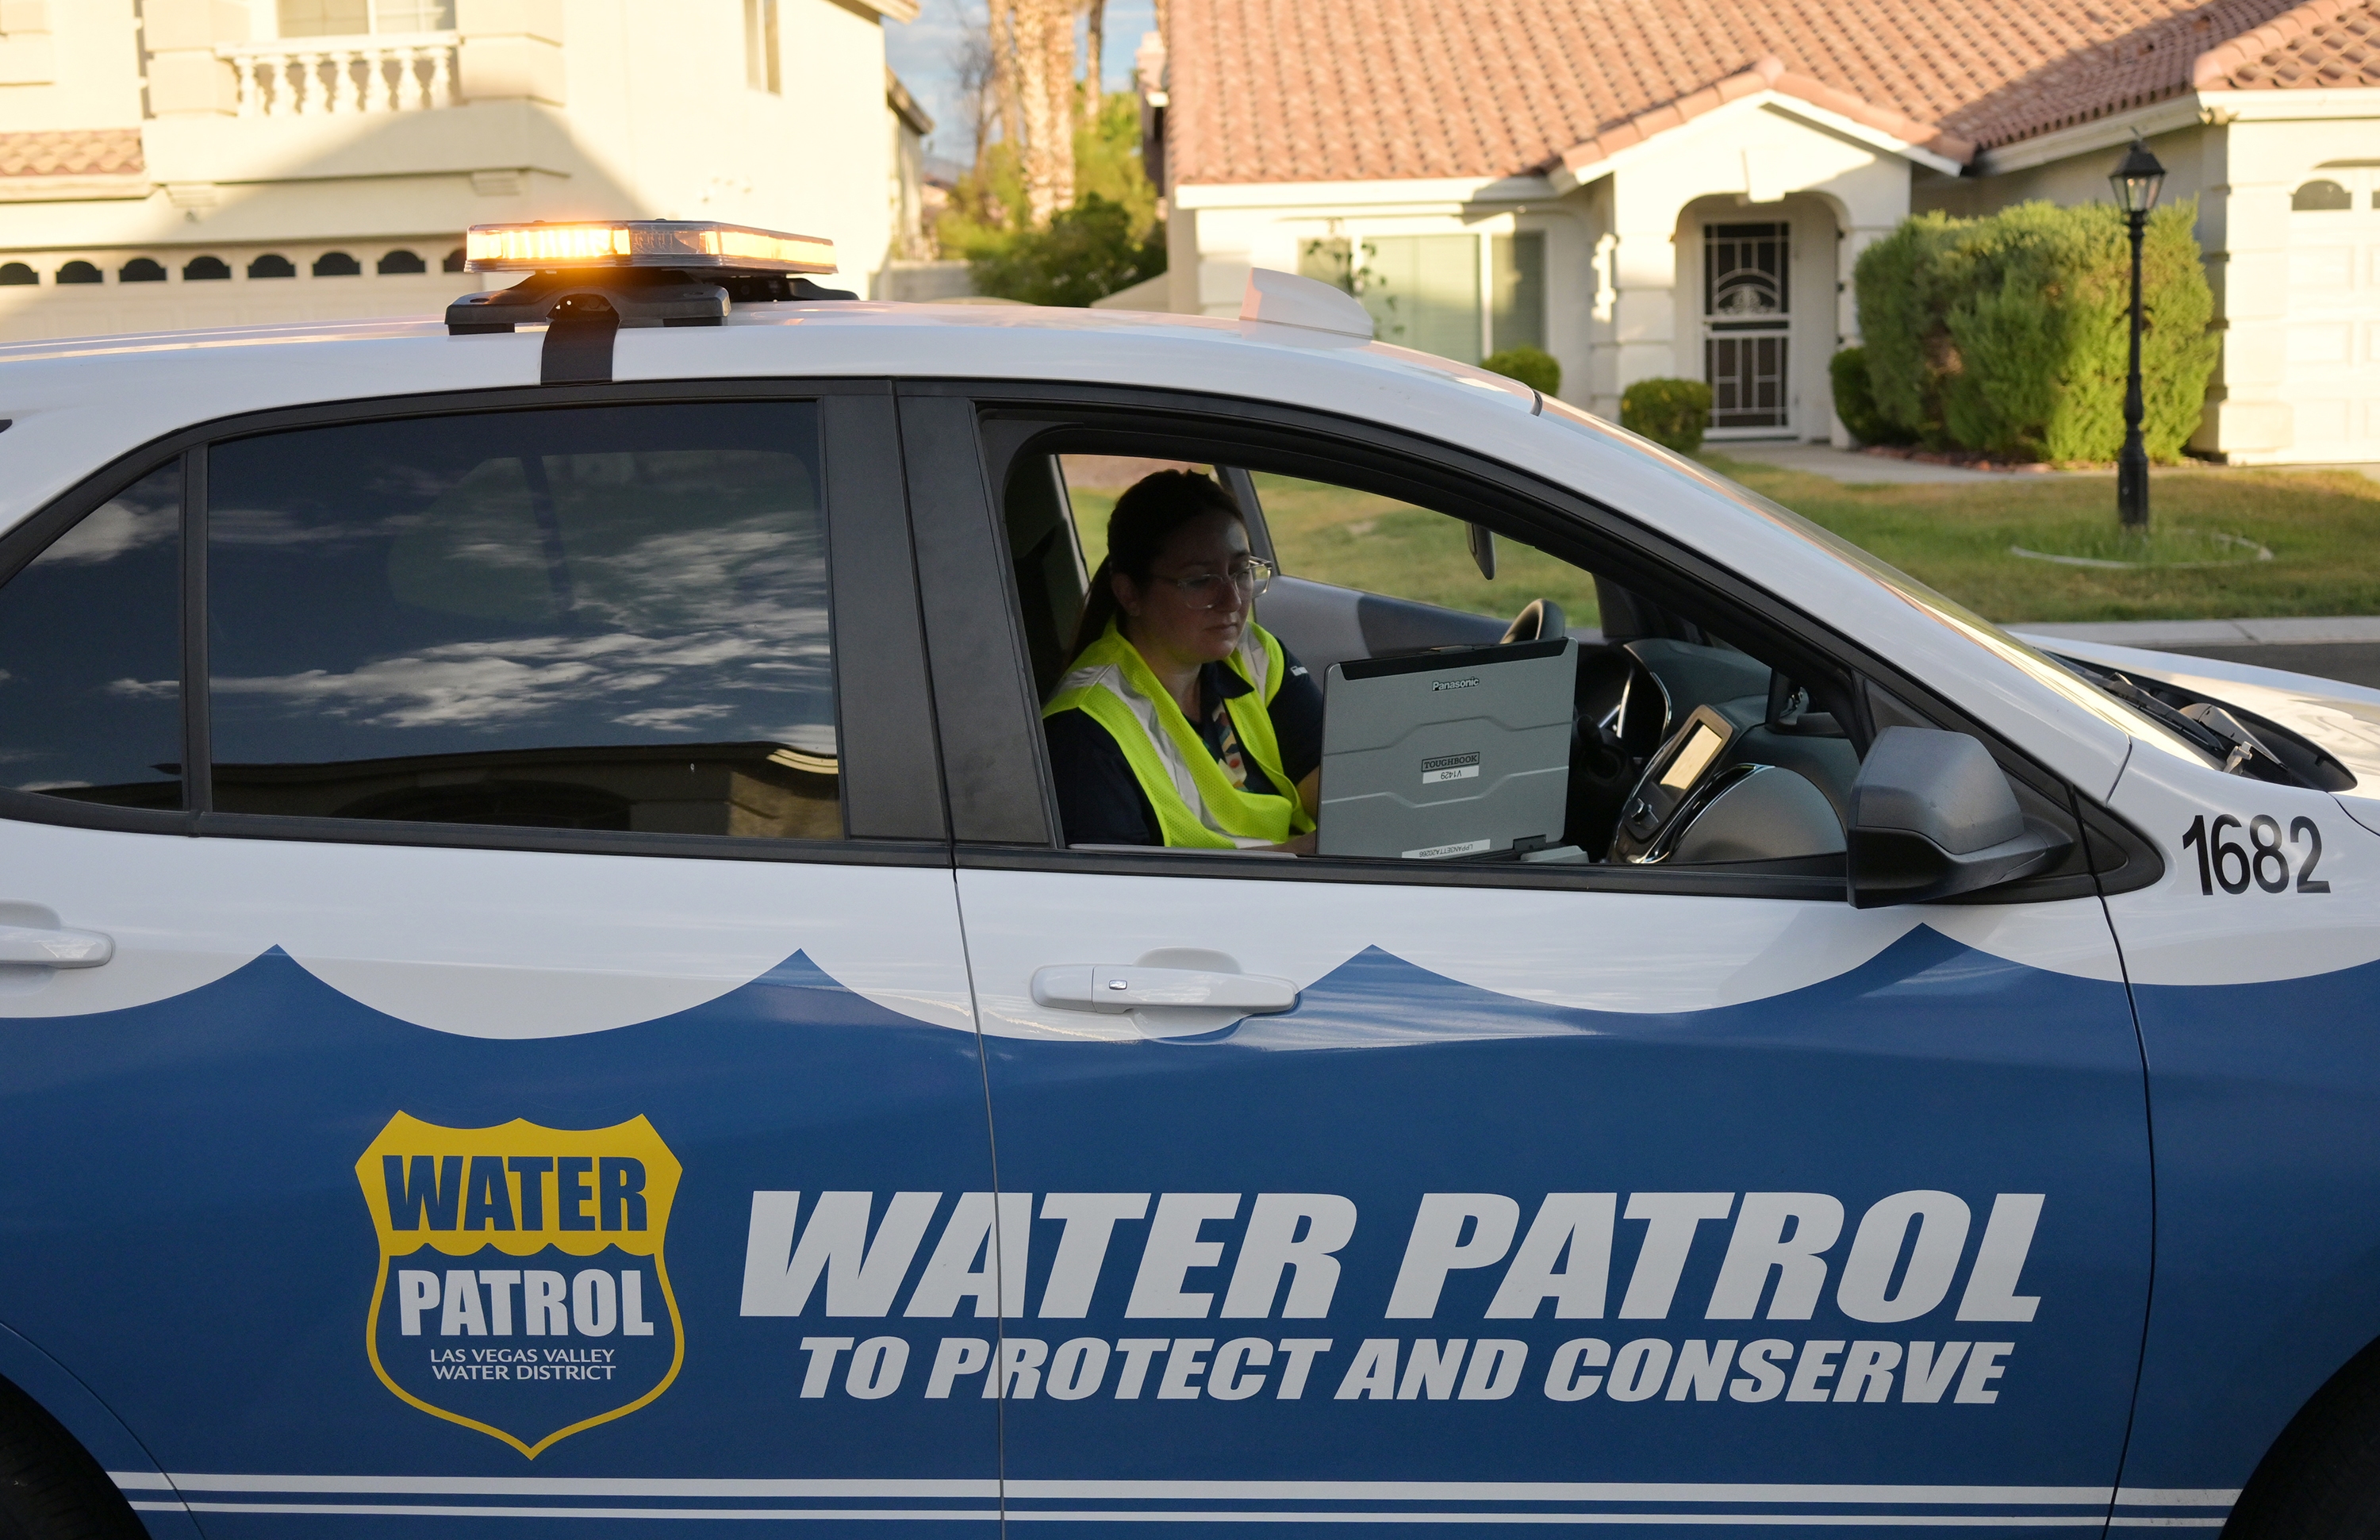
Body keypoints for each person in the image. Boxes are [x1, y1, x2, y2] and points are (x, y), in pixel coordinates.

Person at [1043, 470, 1322, 851]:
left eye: (1240, 572)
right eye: (1200, 581)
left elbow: (1338, 796)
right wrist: (1318, 852)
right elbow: (1120, 893)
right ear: (1129, 594)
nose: (1234, 601)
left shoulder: (1256, 655)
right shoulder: (1085, 728)